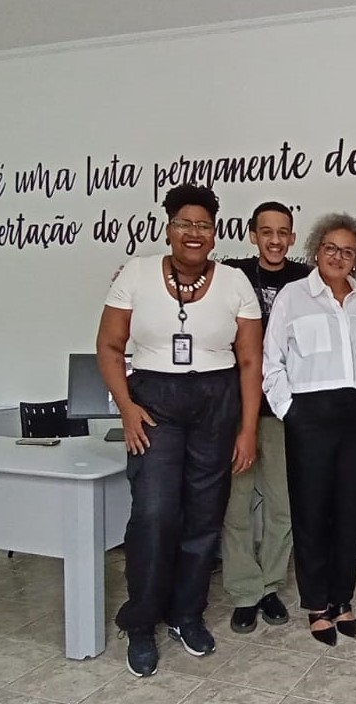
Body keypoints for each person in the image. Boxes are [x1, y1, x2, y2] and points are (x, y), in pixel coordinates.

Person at [96, 184, 263, 678]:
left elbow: (251, 360)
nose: (194, 232)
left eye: (203, 225)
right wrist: (126, 408)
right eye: (184, 223)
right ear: (168, 227)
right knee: (154, 514)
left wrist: (248, 428)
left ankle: (186, 614)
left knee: (203, 515)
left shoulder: (234, 282)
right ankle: (142, 620)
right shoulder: (137, 273)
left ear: (215, 232)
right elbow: (109, 346)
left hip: (216, 402)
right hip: (153, 403)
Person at [263, 213, 356, 646]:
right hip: (309, 413)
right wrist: (289, 410)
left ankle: (342, 599)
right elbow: (272, 360)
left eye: (348, 251)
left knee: (351, 512)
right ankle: (317, 604)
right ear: (316, 250)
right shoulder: (293, 297)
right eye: (331, 248)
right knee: (312, 511)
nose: (339, 256)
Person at [221, 202, 310, 633]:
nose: (275, 240)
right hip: (236, 410)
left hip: (282, 412)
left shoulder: (307, 280)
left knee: (281, 507)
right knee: (235, 508)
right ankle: (244, 591)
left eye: (283, 232)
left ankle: (271, 586)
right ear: (253, 235)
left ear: (292, 237)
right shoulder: (231, 275)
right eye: (266, 232)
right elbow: (178, 279)